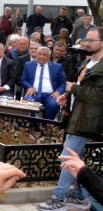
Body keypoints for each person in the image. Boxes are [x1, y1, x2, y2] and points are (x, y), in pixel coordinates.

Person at [38, 28, 103, 211]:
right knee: (76, 158)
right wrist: (68, 95)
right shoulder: (90, 61)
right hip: (76, 114)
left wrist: (73, 90)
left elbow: (98, 95)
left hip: (87, 119)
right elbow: (81, 85)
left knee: (68, 158)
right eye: (85, 40)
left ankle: (58, 199)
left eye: (91, 40)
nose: (86, 43)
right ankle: (79, 195)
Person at [21, 46, 66, 120]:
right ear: (36, 54)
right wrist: (29, 87)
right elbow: (23, 80)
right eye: (39, 54)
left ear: (49, 56)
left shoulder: (57, 67)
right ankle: (32, 124)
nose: (41, 56)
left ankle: (47, 124)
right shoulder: (28, 65)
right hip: (34, 94)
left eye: (44, 55)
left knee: (53, 104)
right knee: (28, 101)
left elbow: (62, 83)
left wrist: (58, 92)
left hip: (50, 95)